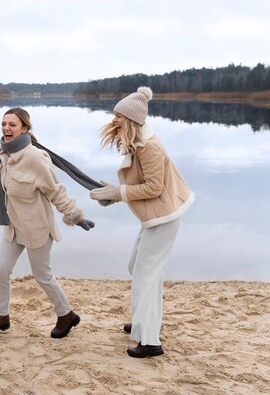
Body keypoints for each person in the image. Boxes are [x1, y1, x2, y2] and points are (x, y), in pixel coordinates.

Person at [89, 87, 194, 358]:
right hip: (155, 215)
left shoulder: (149, 147)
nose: (113, 120)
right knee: (139, 267)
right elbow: (141, 185)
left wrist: (118, 193)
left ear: (132, 119)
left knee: (147, 275)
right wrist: (114, 194)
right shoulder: (138, 142)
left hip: (164, 215)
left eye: (118, 116)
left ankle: (149, 341)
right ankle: (141, 323)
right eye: (114, 114)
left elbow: (153, 188)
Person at [0, 107, 94, 339]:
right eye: (4, 124)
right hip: (13, 225)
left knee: (42, 275)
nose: (6, 129)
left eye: (12, 125)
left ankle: (66, 315)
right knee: (1, 271)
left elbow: (55, 191)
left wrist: (75, 216)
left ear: (25, 129)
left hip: (36, 227)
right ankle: (2, 317)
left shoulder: (35, 158)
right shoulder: (3, 150)